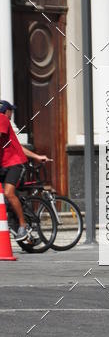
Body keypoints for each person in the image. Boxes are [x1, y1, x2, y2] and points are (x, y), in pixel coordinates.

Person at [0, 100, 49, 240]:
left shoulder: (2, 120)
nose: (11, 115)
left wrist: (37, 156)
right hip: (4, 165)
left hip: (15, 164)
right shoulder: (3, 117)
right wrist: (37, 156)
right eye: (11, 111)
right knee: (8, 199)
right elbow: (19, 147)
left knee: (9, 194)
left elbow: (17, 149)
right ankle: (17, 226)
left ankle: (23, 225)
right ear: (6, 111)